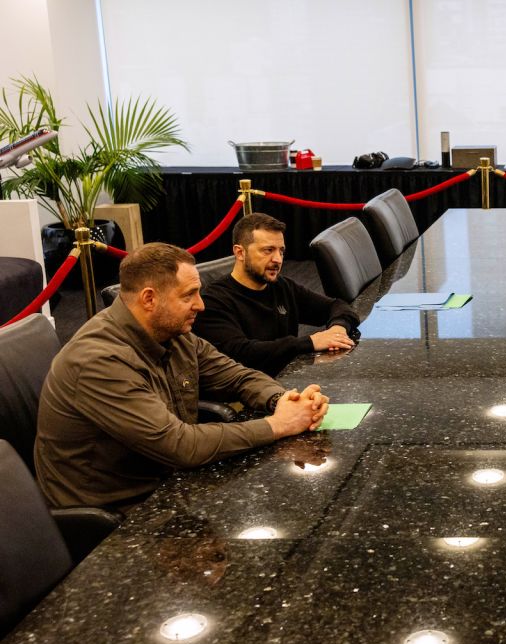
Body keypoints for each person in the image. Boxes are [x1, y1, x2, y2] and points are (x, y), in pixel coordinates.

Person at [35, 243, 329, 511]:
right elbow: (180, 446)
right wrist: (278, 424)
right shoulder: (98, 361)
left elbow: (236, 376)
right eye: (189, 295)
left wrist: (283, 399)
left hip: (167, 481)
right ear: (149, 299)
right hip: (118, 512)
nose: (200, 305)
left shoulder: (172, 332)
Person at [193, 213, 359, 376]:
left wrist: (338, 329)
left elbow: (337, 306)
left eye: (281, 251)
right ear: (240, 253)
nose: (278, 259)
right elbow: (242, 354)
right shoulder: (213, 302)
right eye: (268, 250)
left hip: (290, 380)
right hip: (247, 395)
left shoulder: (281, 286)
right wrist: (309, 342)